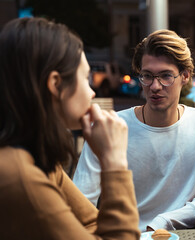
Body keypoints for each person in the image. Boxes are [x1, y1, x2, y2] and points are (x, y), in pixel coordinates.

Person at [0, 17, 140, 239]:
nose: (92, 92)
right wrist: (114, 162)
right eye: (86, 78)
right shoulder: (19, 176)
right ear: (56, 84)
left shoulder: (36, 157)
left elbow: (89, 221)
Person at [74, 29, 195, 232]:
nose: (155, 86)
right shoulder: (110, 127)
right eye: (147, 76)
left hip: (178, 235)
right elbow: (82, 199)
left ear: (185, 76)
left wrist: (162, 222)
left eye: (165, 76)